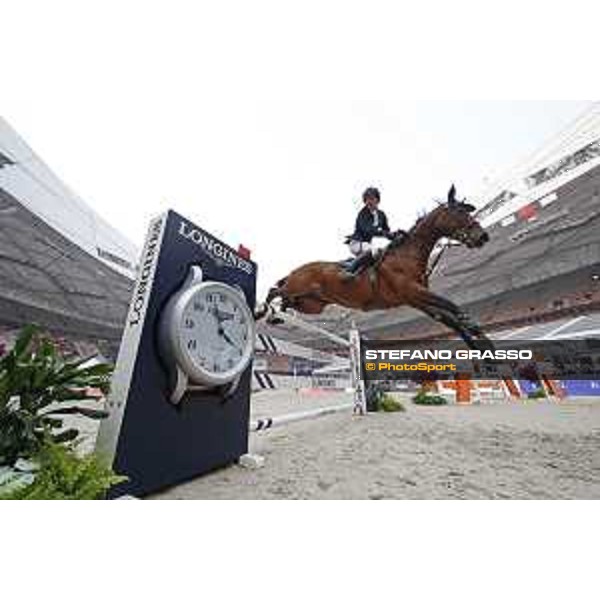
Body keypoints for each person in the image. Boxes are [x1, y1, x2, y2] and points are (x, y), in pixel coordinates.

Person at [343, 187, 398, 279]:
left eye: (372, 199)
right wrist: (383, 233)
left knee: (381, 254)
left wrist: (395, 235)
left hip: (366, 244)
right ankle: (349, 269)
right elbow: (367, 230)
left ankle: (352, 262)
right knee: (373, 251)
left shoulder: (381, 215)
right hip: (357, 243)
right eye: (367, 199)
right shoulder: (363, 214)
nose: (369, 202)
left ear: (377, 200)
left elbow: (387, 231)